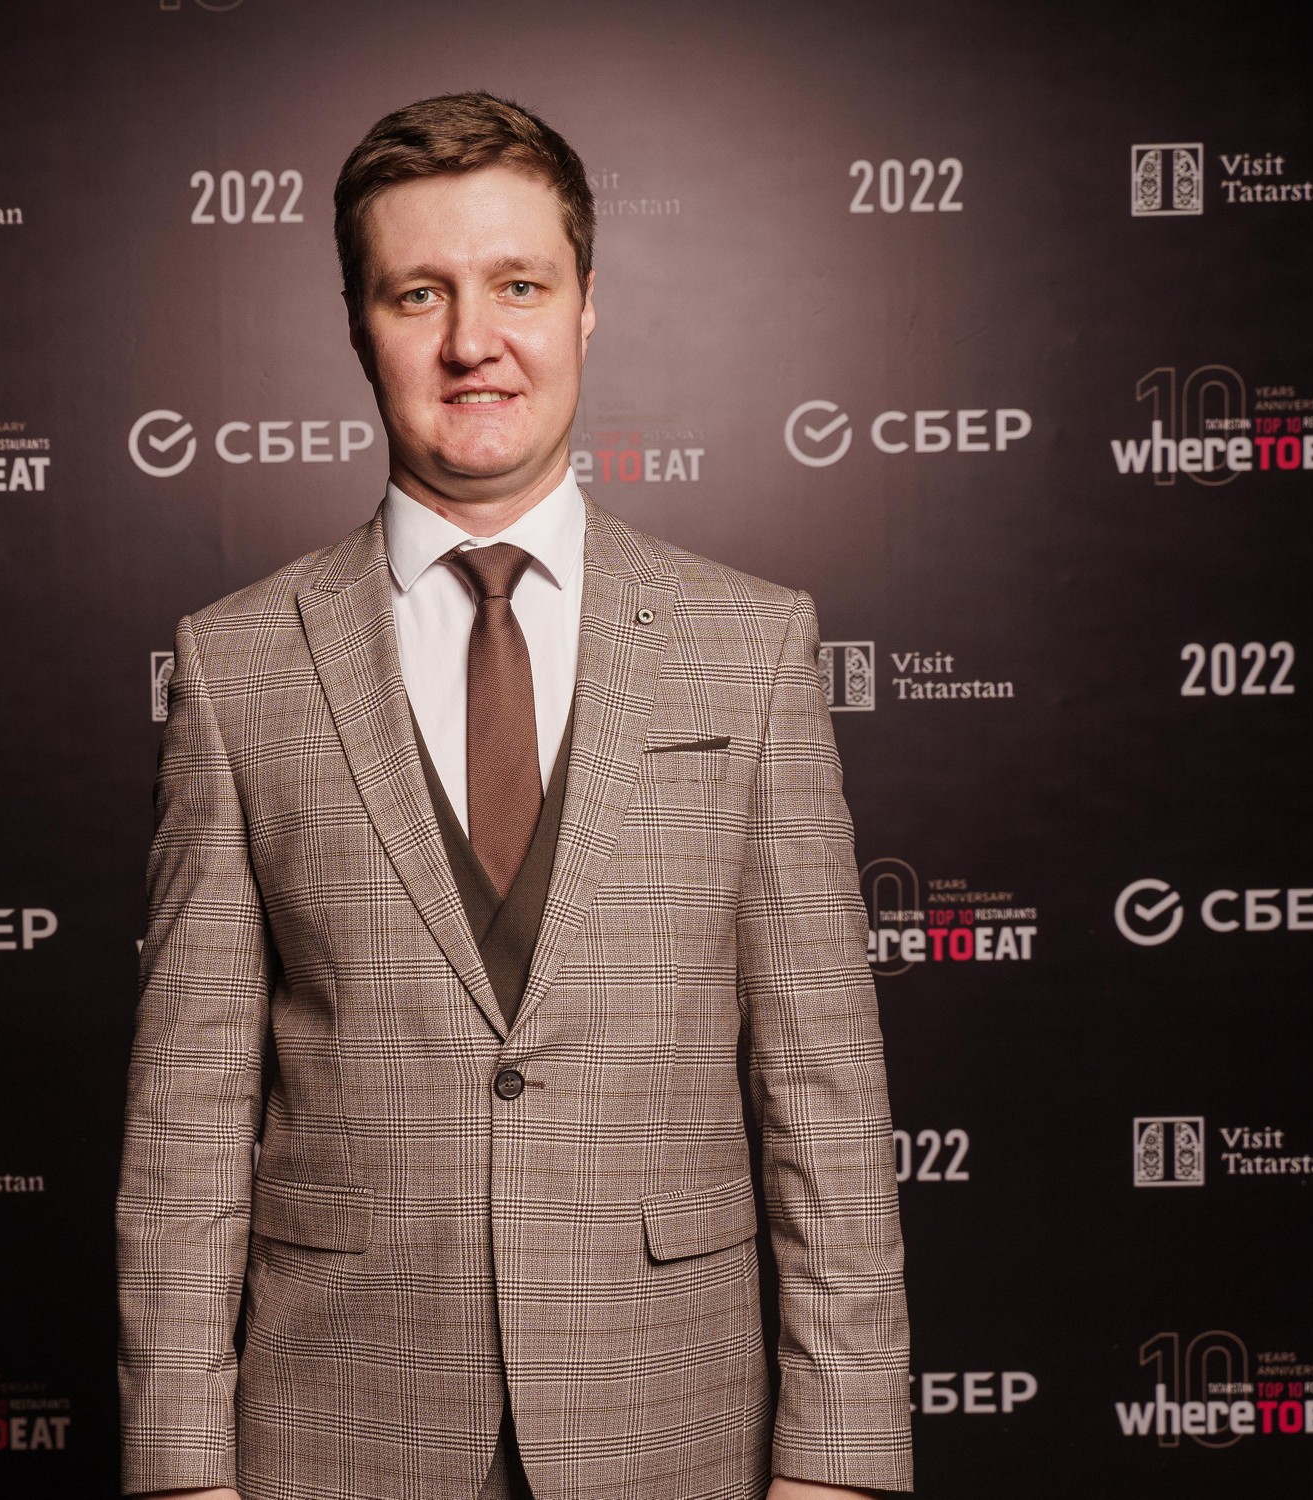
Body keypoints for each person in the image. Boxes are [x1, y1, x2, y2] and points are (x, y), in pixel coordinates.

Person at [118, 92, 911, 1500]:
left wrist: (840, 1460)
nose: (471, 340)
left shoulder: (750, 644)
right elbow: (189, 1107)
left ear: (587, 306)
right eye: (417, 293)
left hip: (672, 1421)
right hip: (338, 1431)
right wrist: (180, 1467)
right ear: (358, 324)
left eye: (518, 286)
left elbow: (823, 1085)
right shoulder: (237, 665)